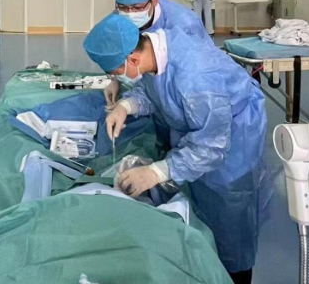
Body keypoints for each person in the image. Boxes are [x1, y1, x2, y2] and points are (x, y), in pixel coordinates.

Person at [84, 14, 270, 284]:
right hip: (201, 128)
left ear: (132, 60)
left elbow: (211, 146)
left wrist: (156, 172)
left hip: (233, 141)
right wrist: (127, 106)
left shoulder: (196, 77)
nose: (117, 78)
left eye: (115, 73)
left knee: (229, 225)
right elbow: (156, 89)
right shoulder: (155, 48)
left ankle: (234, 276)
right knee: (199, 208)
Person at [105, 0, 212, 106]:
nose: (130, 13)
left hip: (178, 94)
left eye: (137, 7)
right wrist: (115, 80)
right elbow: (117, 51)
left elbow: (199, 74)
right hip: (141, 90)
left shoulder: (184, 24)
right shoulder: (119, 17)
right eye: (123, 6)